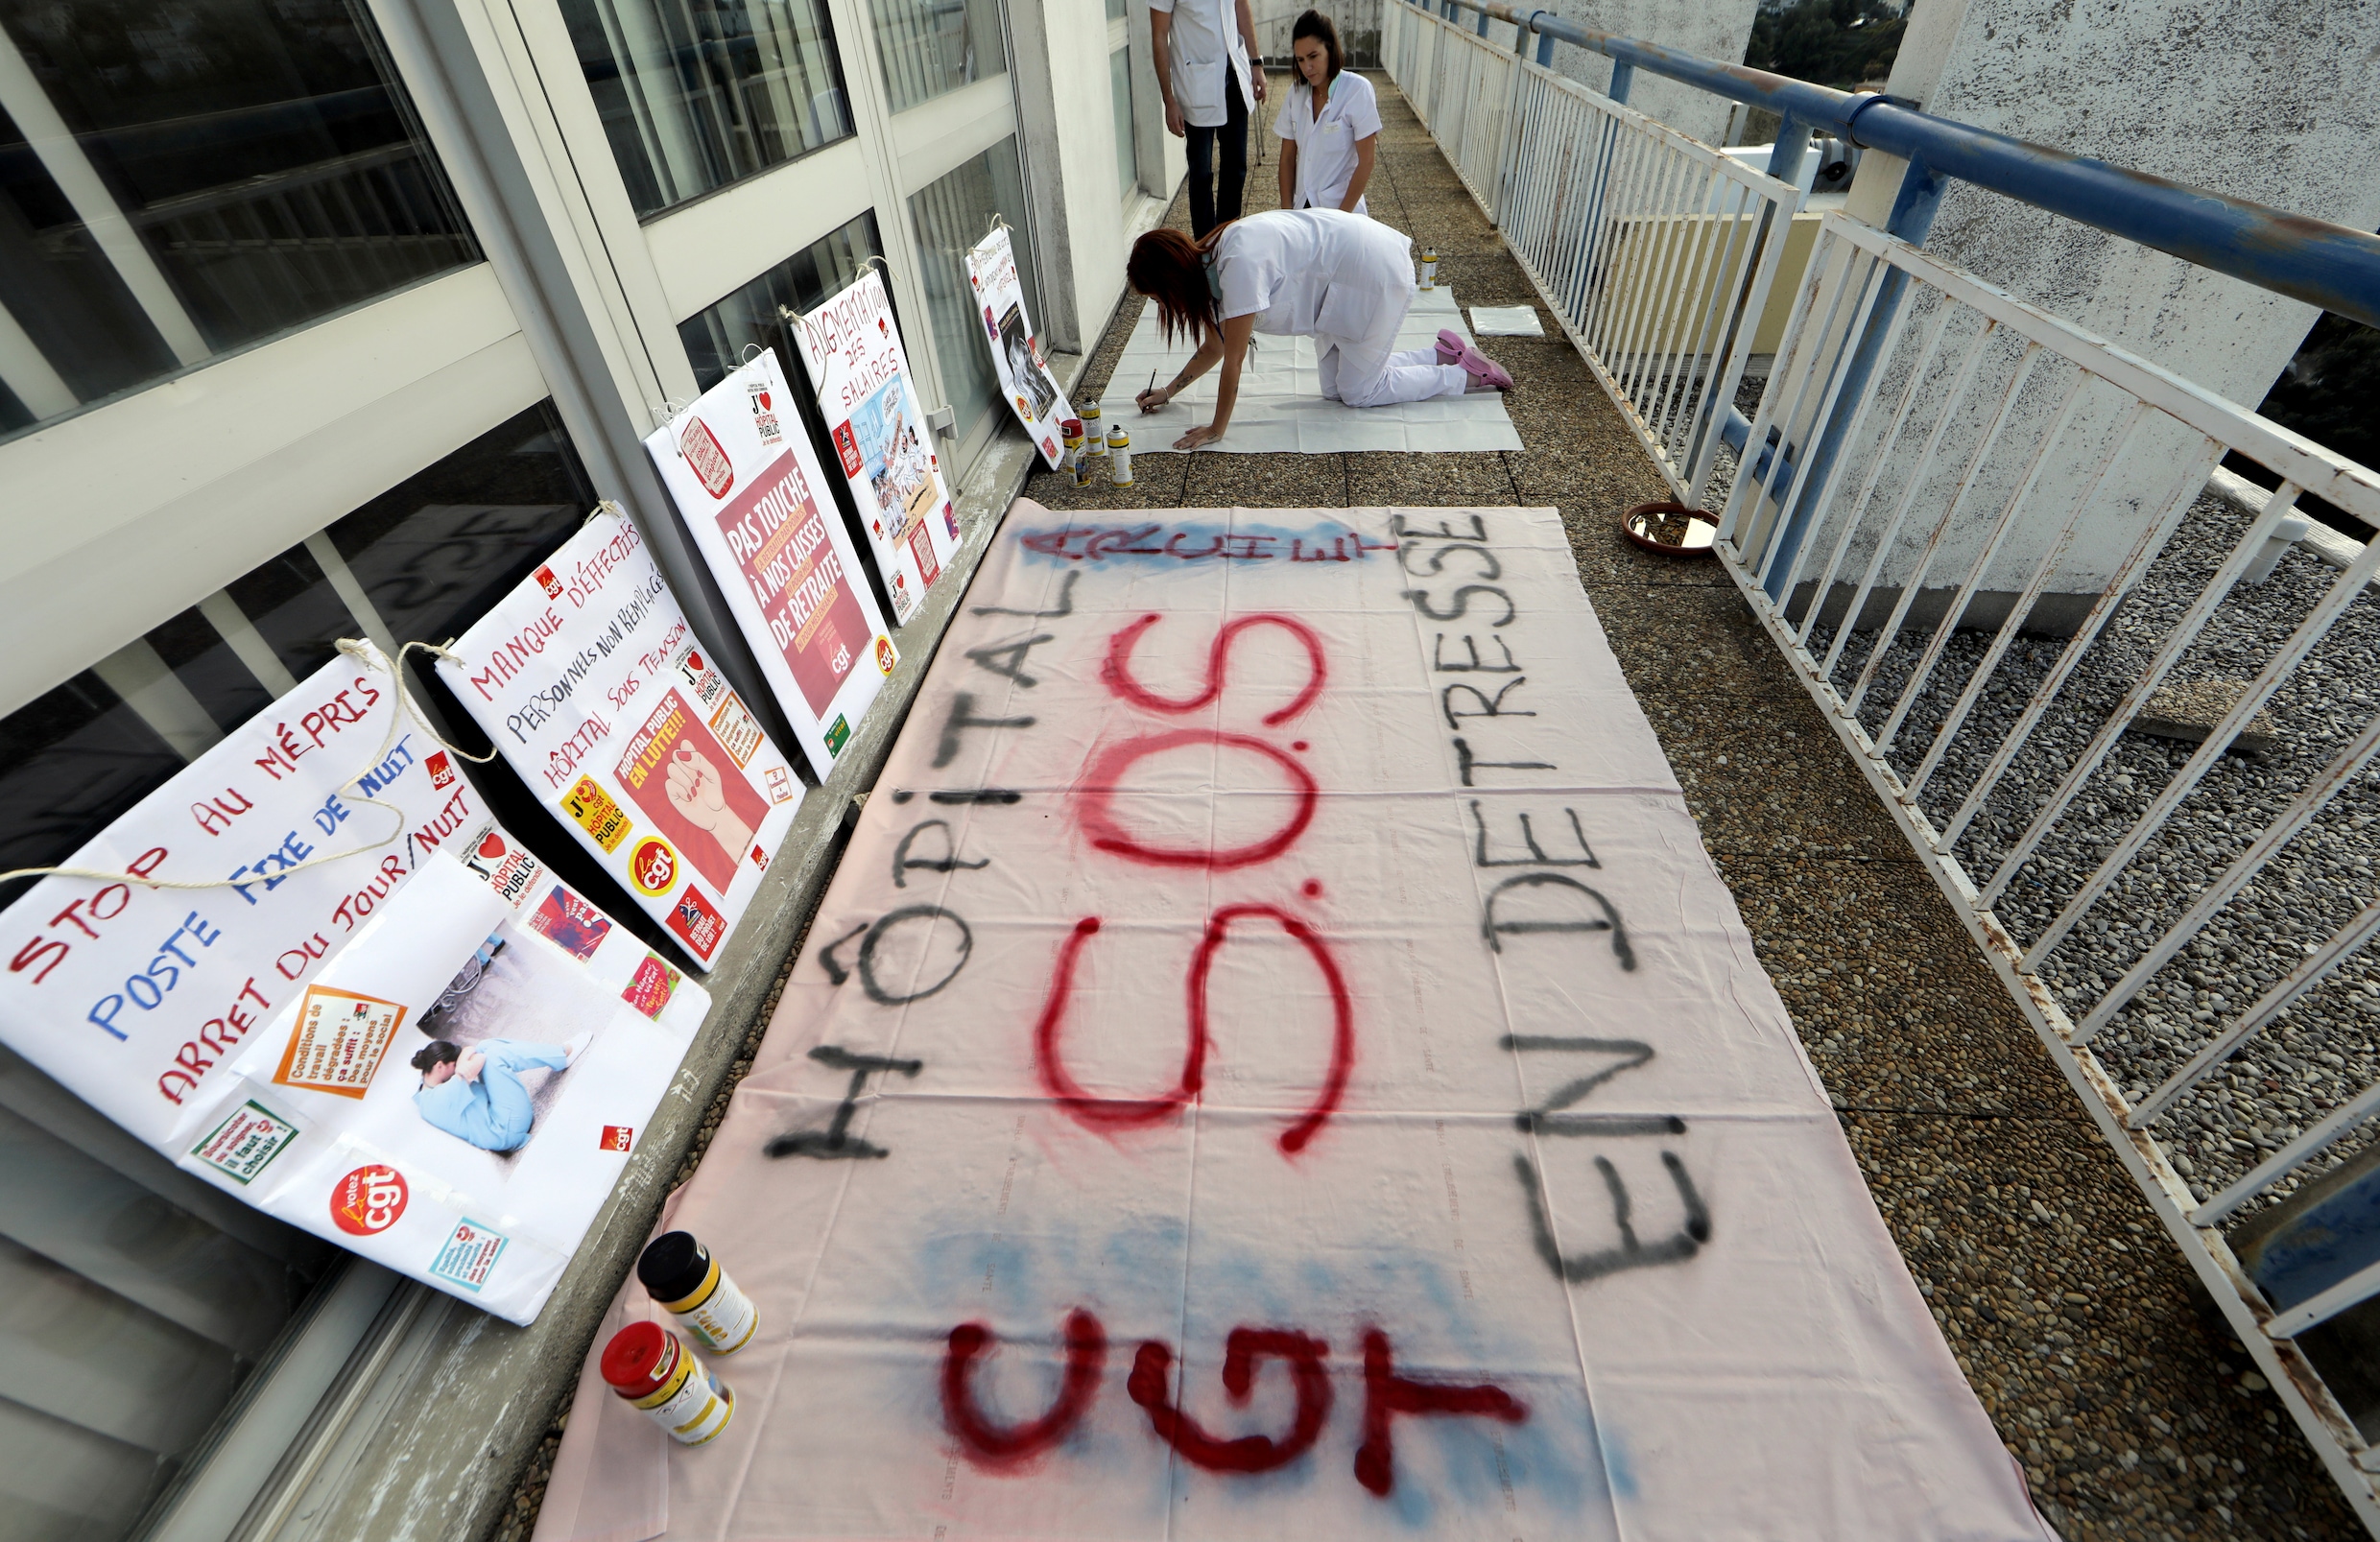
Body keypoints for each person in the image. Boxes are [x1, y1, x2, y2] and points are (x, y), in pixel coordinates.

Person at [1129, 211, 1513, 448]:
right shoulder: (1210, 259)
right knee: (1334, 391)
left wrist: (1216, 428)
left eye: (1158, 297)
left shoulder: (1236, 267)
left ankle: (1462, 376)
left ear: (1172, 280)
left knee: (1360, 391)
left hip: (1372, 277)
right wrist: (1168, 391)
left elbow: (1233, 359)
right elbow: (1215, 346)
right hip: (1339, 286)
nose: (1161, 306)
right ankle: (1439, 354)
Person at [1149, 0, 1265, 237]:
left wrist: (1256, 63)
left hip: (1234, 76)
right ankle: (1205, 248)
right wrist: (1168, 99)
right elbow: (1159, 35)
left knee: (1236, 168)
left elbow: (1241, 6)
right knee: (1201, 174)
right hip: (1195, 84)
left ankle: (1227, 240)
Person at [1274, 12, 1379, 216]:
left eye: (1313, 56)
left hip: (1342, 209)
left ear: (1330, 49)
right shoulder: (1295, 93)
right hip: (1302, 208)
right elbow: (1287, 158)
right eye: (1301, 60)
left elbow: (1366, 161)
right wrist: (1286, 215)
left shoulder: (1357, 90)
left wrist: (1342, 218)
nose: (1307, 67)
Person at [413, 1034, 588, 1152]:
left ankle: (557, 1054)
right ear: (440, 1066)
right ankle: (562, 1054)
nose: (455, 1070)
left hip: (496, 1116)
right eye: (453, 1066)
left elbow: (471, 1049)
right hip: (506, 1129)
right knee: (493, 1055)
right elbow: (478, 1060)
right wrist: (462, 1065)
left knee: (484, 1046)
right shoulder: (439, 1099)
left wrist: (461, 1061)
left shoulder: (427, 1089)